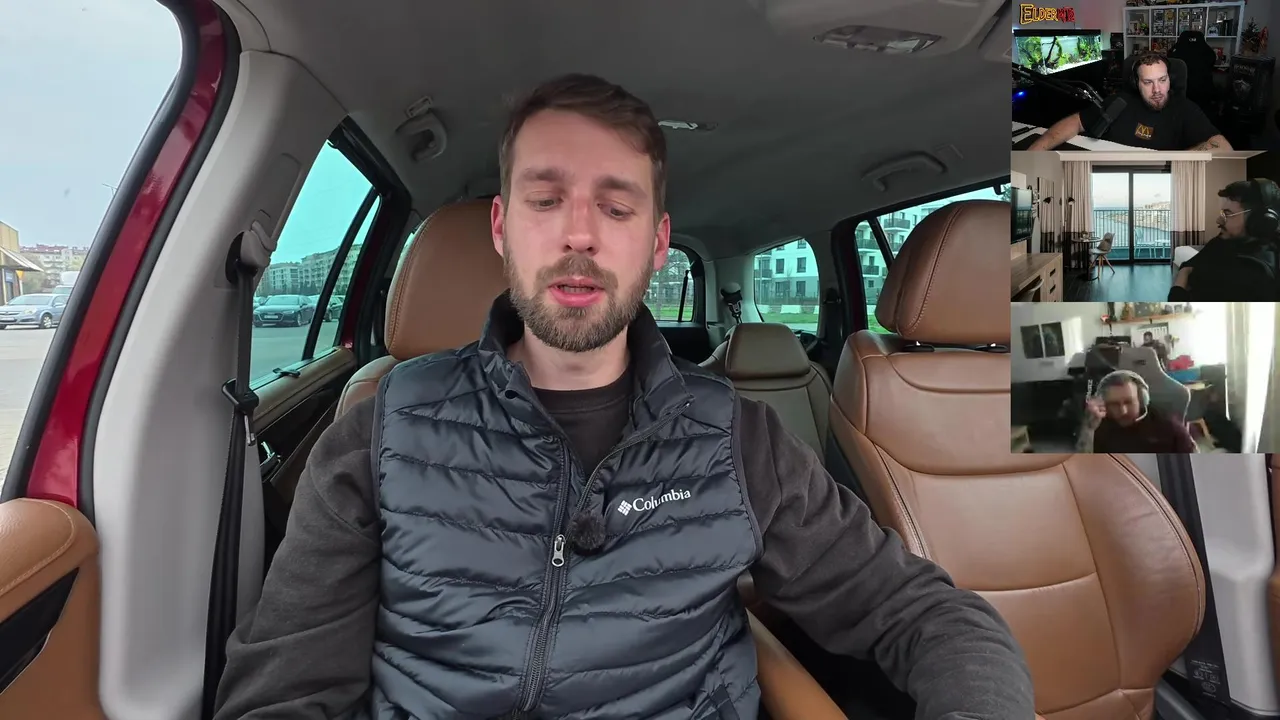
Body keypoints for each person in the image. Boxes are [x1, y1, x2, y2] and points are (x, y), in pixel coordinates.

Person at [212, 75, 1034, 719]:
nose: (580, 234)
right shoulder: (382, 430)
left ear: (657, 243)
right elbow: (282, 693)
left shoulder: (737, 439)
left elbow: (924, 614)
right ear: (501, 228)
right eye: (545, 200)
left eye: (615, 206)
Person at [1028, 51, 1231, 151]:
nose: (1157, 90)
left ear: (1171, 79)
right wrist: (1035, 152)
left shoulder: (1185, 109)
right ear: (1136, 83)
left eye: (1162, 80)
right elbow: (1076, 122)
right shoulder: (1119, 102)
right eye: (1148, 82)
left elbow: (1223, 148)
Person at [1170, 178, 1280, 301]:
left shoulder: (1256, 271)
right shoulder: (1224, 241)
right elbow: (1188, 265)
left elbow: (1178, 305)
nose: (1219, 220)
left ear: (1257, 220)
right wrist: (1185, 272)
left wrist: (1180, 284)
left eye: (1227, 214)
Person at [1077, 370, 1196, 453]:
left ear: (1142, 400)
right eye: (1114, 404)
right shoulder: (1097, 424)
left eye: (1128, 402)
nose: (1123, 411)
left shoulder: (1167, 425)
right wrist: (1089, 430)